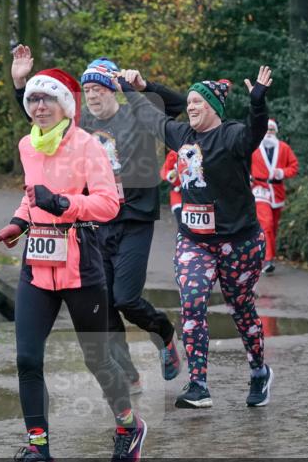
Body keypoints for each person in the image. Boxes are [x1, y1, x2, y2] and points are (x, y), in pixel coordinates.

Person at [0, 67, 146, 462]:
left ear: (65, 105)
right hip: (37, 263)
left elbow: (109, 204)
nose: (39, 106)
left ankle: (128, 426)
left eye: (47, 99)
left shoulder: (87, 146)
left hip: (82, 261)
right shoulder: (28, 145)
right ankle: (39, 452)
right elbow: (31, 197)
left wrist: (62, 203)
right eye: (33, 100)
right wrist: (18, 222)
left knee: (97, 358)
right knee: (27, 356)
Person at [10, 46, 184, 394]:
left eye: (99, 90)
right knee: (103, 305)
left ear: (112, 91)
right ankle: (129, 372)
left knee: (126, 298)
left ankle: (164, 334)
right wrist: (20, 83)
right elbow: (41, 119)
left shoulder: (136, 113)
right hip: (94, 222)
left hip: (134, 218)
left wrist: (145, 86)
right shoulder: (80, 123)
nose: (92, 96)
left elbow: (176, 110)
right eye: (87, 91)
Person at [120, 66, 275, 409]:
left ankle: (259, 370)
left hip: (239, 241)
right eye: (188, 102)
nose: (190, 107)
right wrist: (131, 88)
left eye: (197, 103)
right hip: (195, 240)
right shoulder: (182, 135)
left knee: (241, 308)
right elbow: (150, 117)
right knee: (191, 302)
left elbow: (255, 132)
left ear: (213, 109)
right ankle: (199, 384)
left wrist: (258, 103)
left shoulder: (232, 136)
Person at [250, 119, 299, 273]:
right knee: (267, 224)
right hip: (259, 189)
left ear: (276, 132)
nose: (269, 133)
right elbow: (242, 163)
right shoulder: (254, 148)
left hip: (277, 191)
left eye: (272, 130)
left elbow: (294, 166)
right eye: (267, 130)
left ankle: (263, 253)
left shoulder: (284, 148)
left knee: (274, 227)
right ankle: (267, 259)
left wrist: (282, 172)